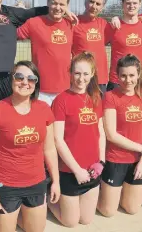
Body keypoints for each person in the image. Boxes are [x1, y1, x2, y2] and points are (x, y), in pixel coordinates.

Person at [0, 61, 60, 232]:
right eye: (19, 77)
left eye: (31, 78)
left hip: (36, 182)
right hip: (6, 185)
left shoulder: (44, 109)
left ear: (36, 83)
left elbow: (49, 149)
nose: (25, 82)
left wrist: (55, 181)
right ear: (11, 79)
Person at [48, 52, 105, 227]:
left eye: (86, 74)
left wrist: (101, 162)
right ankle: (47, 198)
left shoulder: (96, 97)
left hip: (92, 169)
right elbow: (58, 139)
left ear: (93, 74)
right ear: (70, 73)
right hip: (70, 170)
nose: (81, 78)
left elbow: (101, 133)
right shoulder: (61, 100)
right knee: (70, 222)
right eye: (77, 73)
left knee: (86, 220)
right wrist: (76, 170)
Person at [97, 54, 142, 217]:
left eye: (131, 75)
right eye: (123, 75)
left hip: (138, 160)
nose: (128, 80)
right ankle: (102, 192)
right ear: (117, 75)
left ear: (138, 75)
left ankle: (118, 193)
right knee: (108, 212)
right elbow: (111, 135)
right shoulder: (110, 96)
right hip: (116, 159)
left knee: (132, 209)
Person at [17, 0, 74, 106]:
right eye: (54, 3)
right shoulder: (34, 23)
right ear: (47, 2)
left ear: (67, 6)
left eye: (62, 4)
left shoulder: (71, 25)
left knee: (62, 125)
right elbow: (11, 34)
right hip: (40, 89)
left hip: (65, 88)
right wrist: (19, 11)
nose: (58, 8)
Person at [106, 0, 142, 92]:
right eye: (128, 3)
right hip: (117, 80)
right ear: (122, 4)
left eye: (135, 3)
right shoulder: (113, 26)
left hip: (138, 80)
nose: (131, 6)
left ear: (140, 4)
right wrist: (115, 17)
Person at [71, 0, 110, 94]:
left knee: (98, 109)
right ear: (85, 1)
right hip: (80, 78)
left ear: (102, 7)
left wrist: (140, 18)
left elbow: (126, 27)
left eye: (98, 4)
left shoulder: (104, 25)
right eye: (91, 2)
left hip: (100, 79)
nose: (94, 6)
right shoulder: (73, 23)